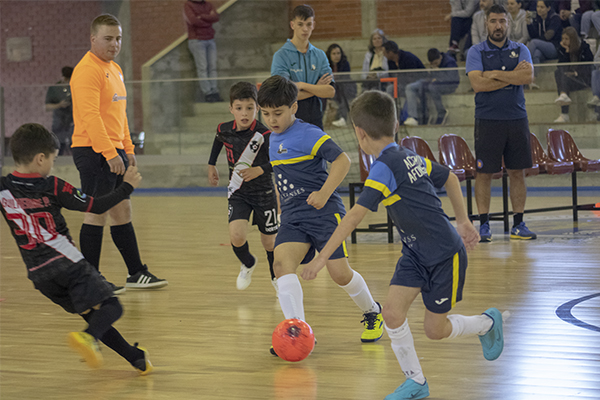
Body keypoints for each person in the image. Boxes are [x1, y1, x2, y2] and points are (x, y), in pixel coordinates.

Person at [301, 91, 506, 400]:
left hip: (444, 256)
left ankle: (486, 323)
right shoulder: (408, 154)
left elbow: (353, 217)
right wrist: (463, 220)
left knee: (433, 331)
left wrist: (320, 259)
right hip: (414, 253)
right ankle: (416, 383)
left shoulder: (385, 167)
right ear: (396, 124)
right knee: (393, 314)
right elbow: (450, 177)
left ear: (359, 133)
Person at [0, 123, 153, 374]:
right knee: (112, 307)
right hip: (68, 264)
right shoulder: (53, 186)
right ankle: (88, 338)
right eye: (53, 159)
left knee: (94, 316)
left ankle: (135, 357)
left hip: (39, 275)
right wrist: (126, 187)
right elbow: (95, 205)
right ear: (40, 159)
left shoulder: (3, 188)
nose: (53, 166)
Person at [257, 75, 384, 353]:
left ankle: (373, 311)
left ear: (294, 108)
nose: (271, 119)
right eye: (265, 114)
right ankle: (297, 331)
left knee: (339, 274)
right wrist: (281, 207)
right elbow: (281, 177)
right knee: (281, 266)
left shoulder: (308, 133)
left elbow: (342, 159)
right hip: (293, 216)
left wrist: (325, 192)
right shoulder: (271, 140)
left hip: (324, 214)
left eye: (277, 113)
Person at [70, 14, 167, 291]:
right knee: (96, 212)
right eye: (108, 38)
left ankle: (136, 273)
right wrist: (109, 152)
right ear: (93, 39)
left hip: (113, 150)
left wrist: (127, 148)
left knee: (122, 209)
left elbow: (119, 114)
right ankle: (90, 281)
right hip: (93, 152)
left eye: (118, 38)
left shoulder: (115, 69)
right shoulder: (87, 70)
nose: (115, 44)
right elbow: (90, 117)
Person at [466, 4, 537, 242]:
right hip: (487, 121)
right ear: (486, 23)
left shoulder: (521, 49)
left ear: (509, 23)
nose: (498, 26)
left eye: (502, 21)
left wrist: (493, 74)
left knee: (518, 173)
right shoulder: (476, 51)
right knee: (484, 173)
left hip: (517, 119)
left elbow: (527, 77)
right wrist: (511, 78)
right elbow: (478, 85)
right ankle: (484, 224)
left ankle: (519, 224)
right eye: (494, 21)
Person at [207, 82, 278, 292]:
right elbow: (218, 140)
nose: (244, 113)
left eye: (250, 108)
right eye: (239, 108)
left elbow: (279, 161)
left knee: (270, 243)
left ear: (258, 108)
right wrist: (211, 164)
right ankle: (248, 263)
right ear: (231, 109)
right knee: (236, 236)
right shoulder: (224, 129)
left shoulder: (266, 135)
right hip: (238, 192)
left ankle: (276, 278)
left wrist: (260, 170)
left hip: (264, 193)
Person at [271, 4, 334, 130]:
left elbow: (330, 91)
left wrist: (300, 85)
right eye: (300, 24)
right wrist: (316, 89)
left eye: (309, 24)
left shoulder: (320, 55)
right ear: (292, 25)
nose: (305, 29)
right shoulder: (281, 56)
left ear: (313, 25)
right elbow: (283, 95)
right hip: (290, 121)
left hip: (316, 119)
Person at [404, 48, 460, 126]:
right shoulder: (434, 65)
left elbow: (452, 78)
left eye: (436, 63)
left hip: (449, 85)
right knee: (413, 87)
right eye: (432, 64)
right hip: (434, 82)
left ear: (440, 57)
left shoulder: (450, 62)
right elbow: (431, 76)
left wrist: (438, 74)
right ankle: (420, 115)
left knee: (432, 87)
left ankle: (441, 112)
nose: (435, 66)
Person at [184, 0, 222, 103]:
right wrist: (208, 20)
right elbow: (193, 21)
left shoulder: (208, 4)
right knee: (203, 67)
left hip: (210, 39)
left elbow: (216, 17)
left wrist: (202, 17)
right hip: (197, 40)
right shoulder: (188, 5)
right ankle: (208, 93)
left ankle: (214, 91)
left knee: (212, 66)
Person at [553, 27, 594, 122]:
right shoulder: (562, 49)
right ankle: (563, 96)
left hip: (582, 79)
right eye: (563, 39)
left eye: (567, 39)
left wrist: (575, 73)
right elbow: (561, 67)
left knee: (562, 78)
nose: (564, 41)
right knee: (559, 73)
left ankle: (564, 113)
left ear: (573, 39)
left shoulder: (584, 48)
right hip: (569, 79)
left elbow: (589, 66)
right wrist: (567, 52)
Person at [326, 43, 357, 127]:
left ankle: (343, 118)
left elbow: (345, 78)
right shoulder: (325, 65)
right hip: (332, 89)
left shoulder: (345, 63)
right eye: (334, 54)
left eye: (338, 53)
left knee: (344, 92)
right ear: (329, 55)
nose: (336, 56)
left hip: (344, 88)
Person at [45, 66, 74, 156]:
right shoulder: (54, 89)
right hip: (59, 122)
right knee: (58, 147)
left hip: (72, 122)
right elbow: (47, 107)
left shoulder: (74, 87)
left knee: (74, 146)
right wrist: (59, 105)